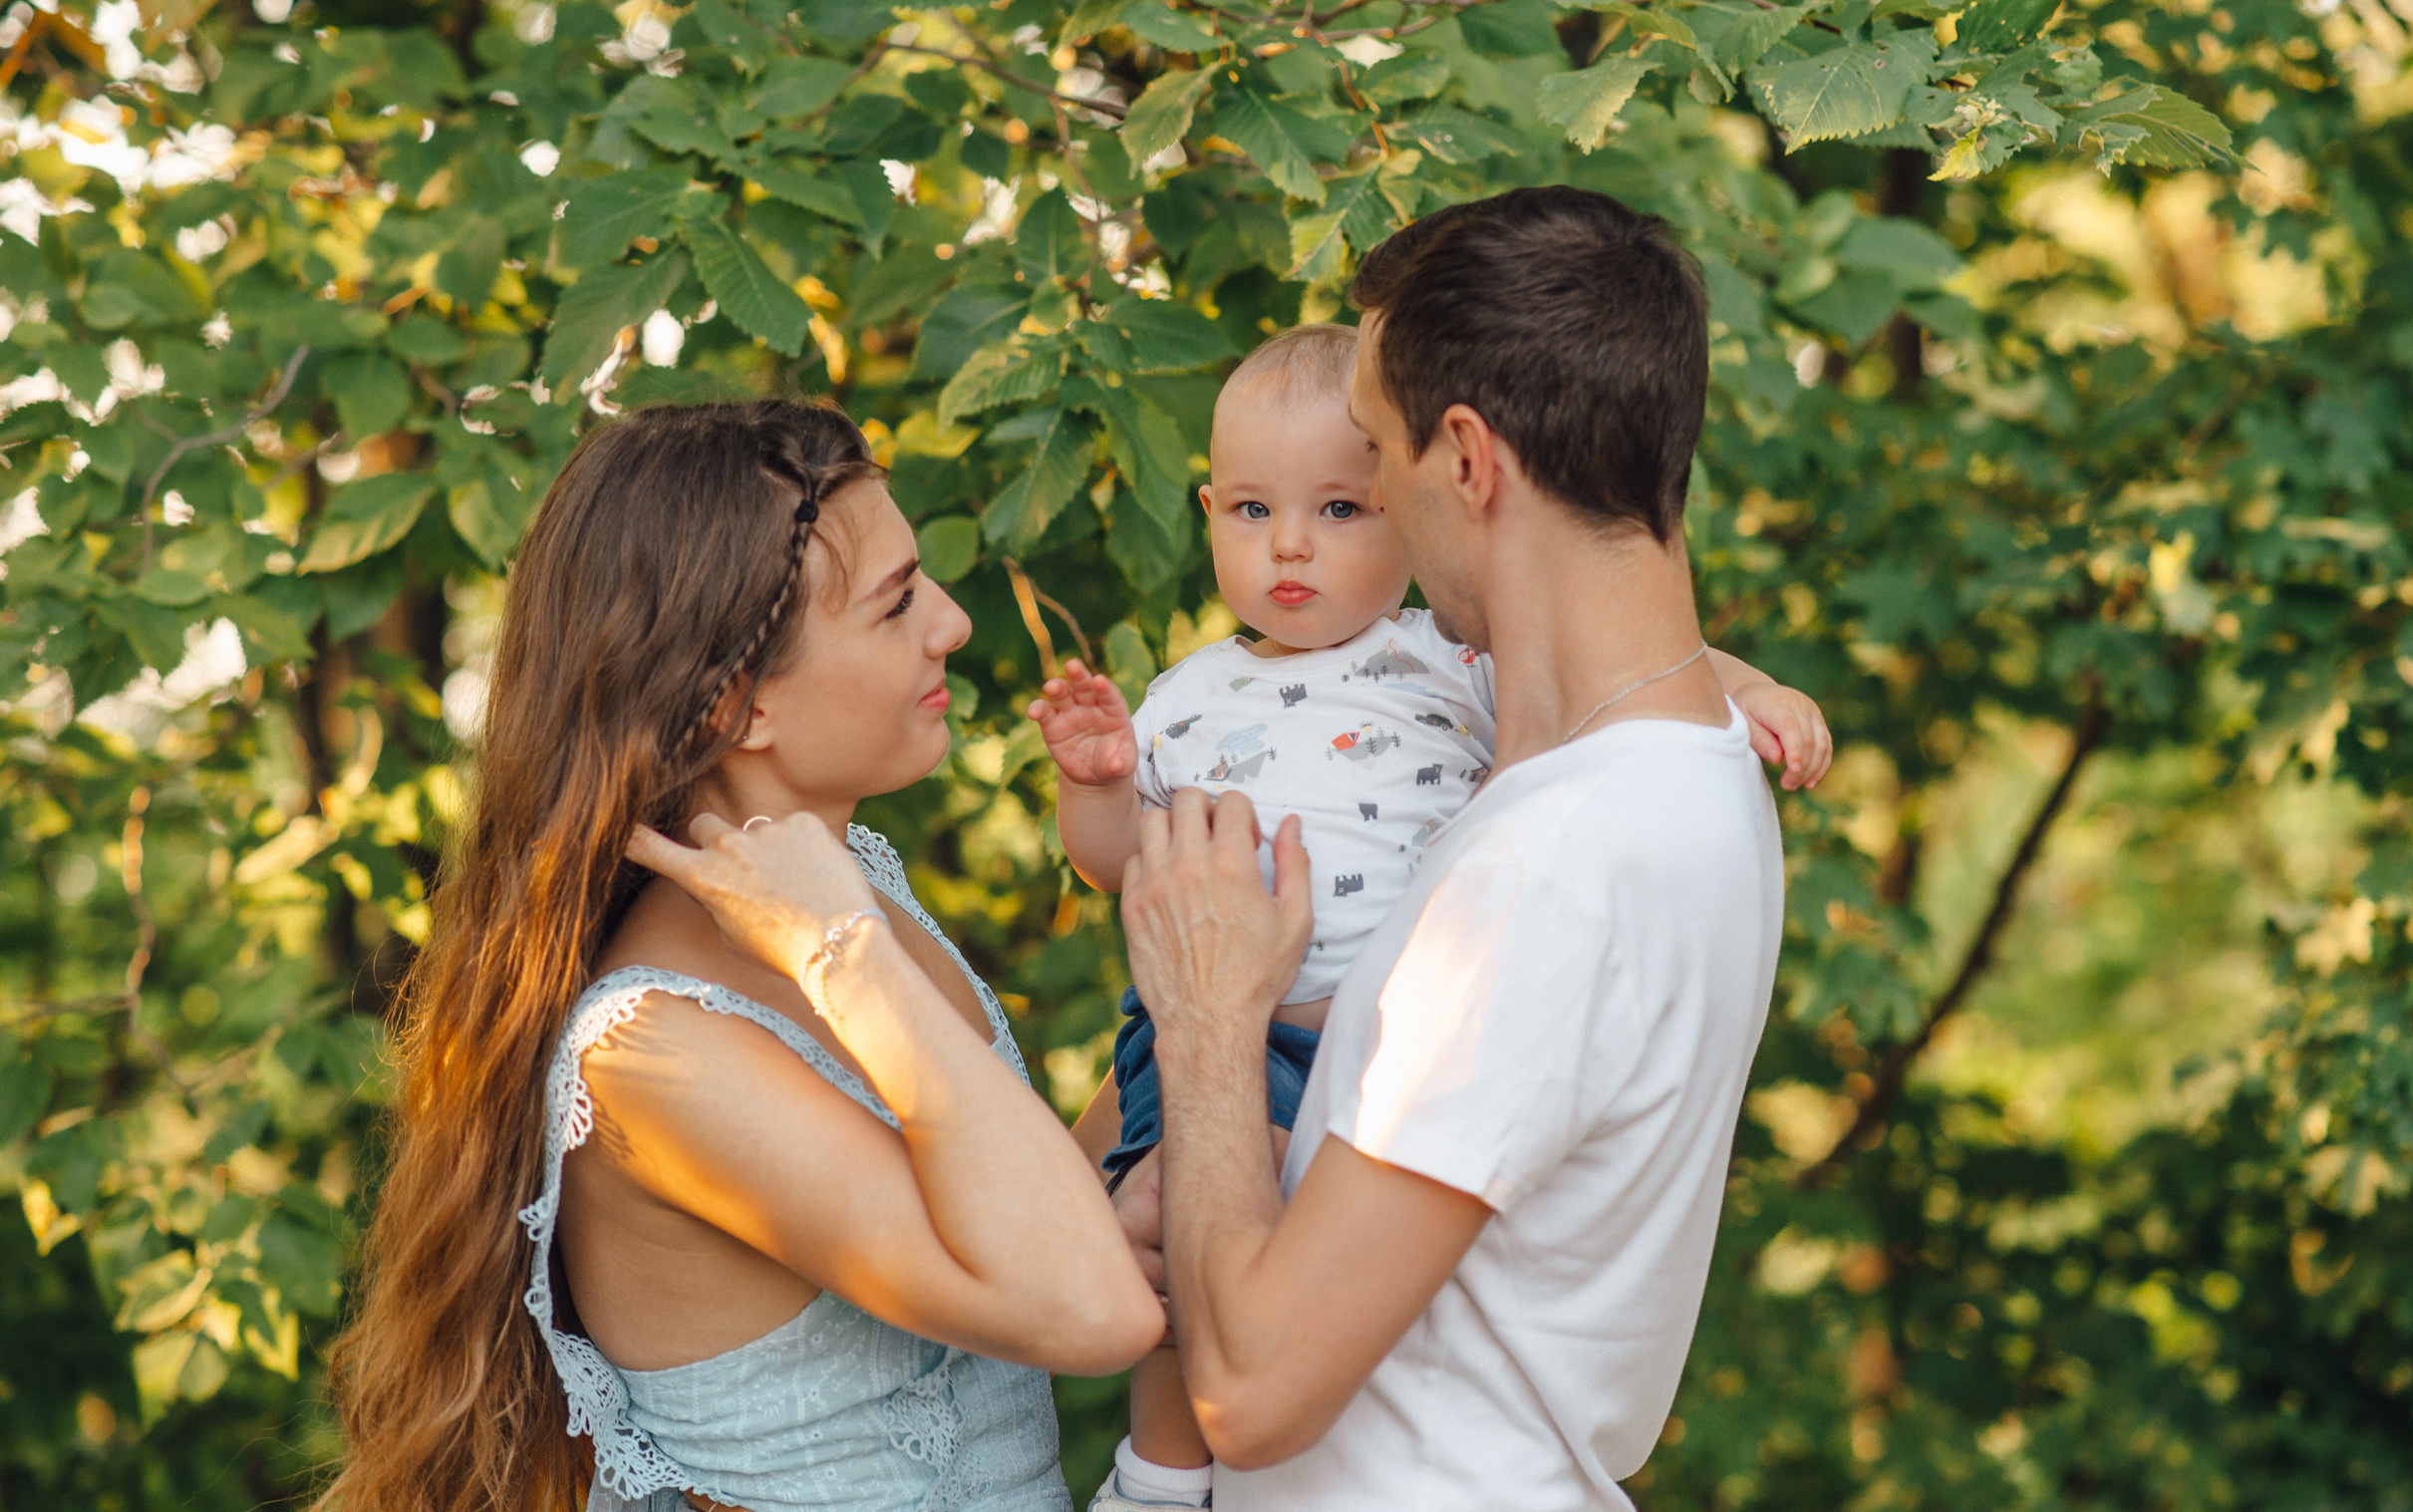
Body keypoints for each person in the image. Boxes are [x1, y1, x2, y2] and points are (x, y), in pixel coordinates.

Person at [1033, 323, 1828, 1510]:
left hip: (1290, 1040)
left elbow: (1664, 652)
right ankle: (1155, 1473)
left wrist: (1756, 691)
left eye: (1342, 506)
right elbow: (1116, 864)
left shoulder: (1451, 671)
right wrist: (1095, 785)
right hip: (1220, 1023)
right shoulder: (1187, 695)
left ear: (1450, 476)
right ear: (1207, 512)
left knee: (1235, 1241)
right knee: (1168, 1211)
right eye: (1250, 510)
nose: (1289, 543)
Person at [321, 401, 1160, 1512]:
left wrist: (1195, 1000)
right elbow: (1092, 1309)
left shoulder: (851, 884)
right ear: (738, 703)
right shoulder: (655, 1048)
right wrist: (846, 958)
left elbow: (1024, 1226)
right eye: (898, 602)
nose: (953, 623)